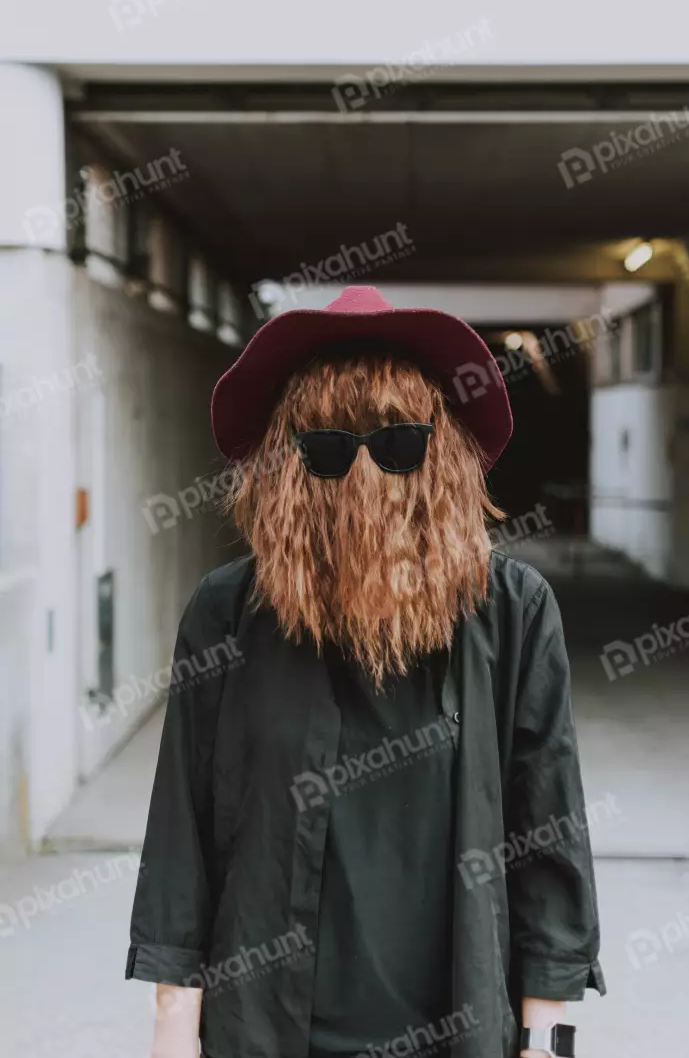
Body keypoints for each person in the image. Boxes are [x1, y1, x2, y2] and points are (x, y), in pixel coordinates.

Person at [126, 286, 605, 1058]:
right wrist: (171, 1035)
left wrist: (546, 1044)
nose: (363, 478)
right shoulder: (228, 614)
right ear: (287, 466)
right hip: (268, 1034)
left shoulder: (513, 613)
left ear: (440, 456)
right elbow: (181, 837)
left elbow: (547, 836)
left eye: (398, 445)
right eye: (326, 448)